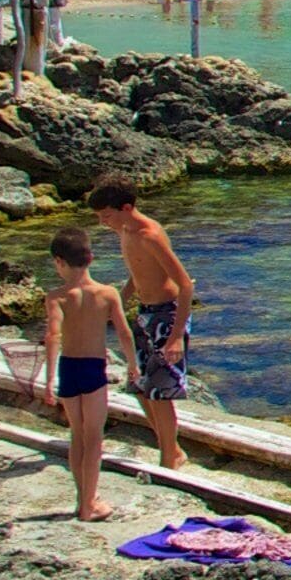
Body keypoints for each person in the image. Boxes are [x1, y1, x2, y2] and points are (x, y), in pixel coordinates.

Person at [84, 178, 191, 470]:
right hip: (145, 312)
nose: (103, 222)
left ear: (127, 207)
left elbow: (185, 285)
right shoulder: (125, 231)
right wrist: (118, 302)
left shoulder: (150, 235)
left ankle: (169, 458)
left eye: (106, 215)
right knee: (141, 387)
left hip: (166, 317)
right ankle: (172, 446)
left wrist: (177, 337)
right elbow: (138, 272)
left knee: (159, 392)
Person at [37, 227, 139, 521]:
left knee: (77, 435)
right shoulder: (107, 293)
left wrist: (48, 381)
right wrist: (133, 365)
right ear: (91, 258)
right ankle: (89, 504)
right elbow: (123, 332)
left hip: (69, 368)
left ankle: (82, 499)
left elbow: (53, 336)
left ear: (59, 262)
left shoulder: (56, 297)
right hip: (94, 369)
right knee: (94, 438)